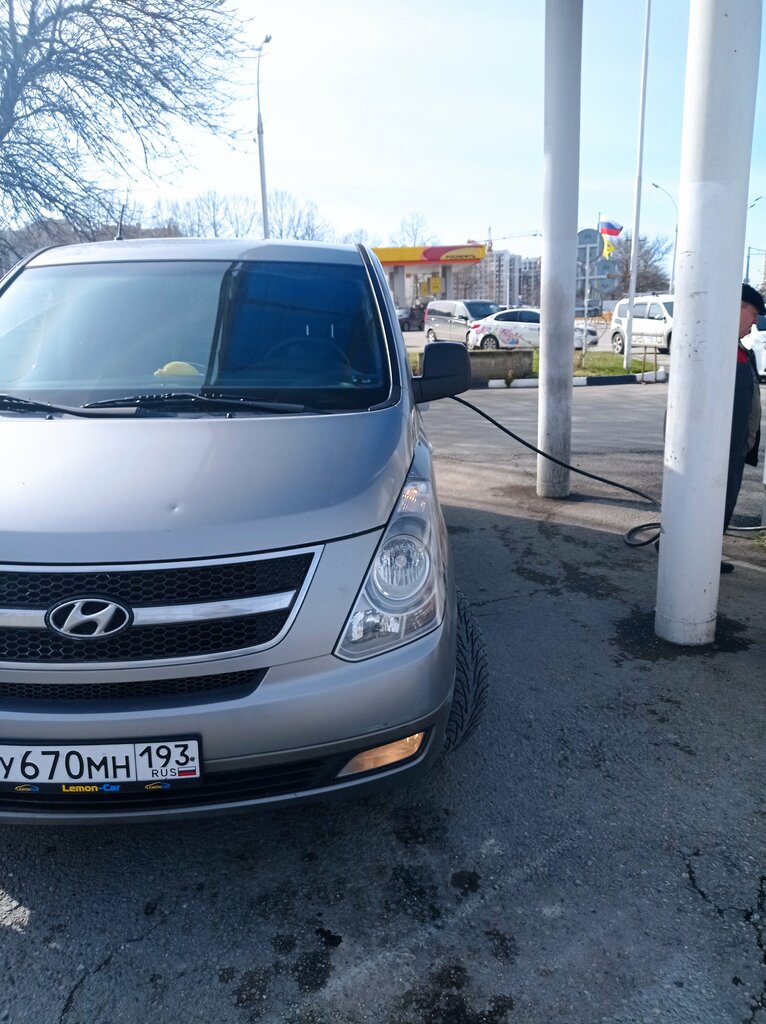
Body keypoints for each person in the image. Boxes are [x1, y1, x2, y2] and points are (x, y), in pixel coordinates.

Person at [721, 282, 764, 571]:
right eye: (753, 315)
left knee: (723, 504)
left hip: (734, 448)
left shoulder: (739, 350)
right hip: (719, 450)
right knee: (712, 503)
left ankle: (705, 550)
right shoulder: (714, 351)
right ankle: (690, 551)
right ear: (737, 308)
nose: (754, 325)